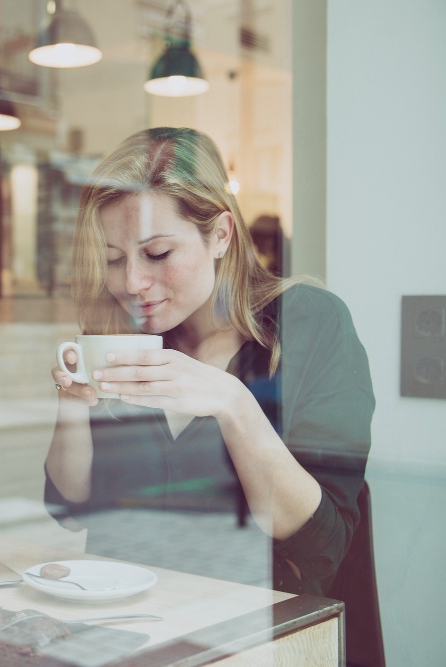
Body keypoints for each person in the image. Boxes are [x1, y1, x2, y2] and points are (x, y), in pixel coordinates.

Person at [45, 128, 376, 606]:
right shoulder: (124, 336)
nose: (133, 281)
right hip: (122, 619)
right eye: (114, 259)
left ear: (220, 235)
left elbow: (318, 542)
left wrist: (233, 403)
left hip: (250, 626)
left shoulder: (308, 323)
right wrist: (72, 404)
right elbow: (70, 505)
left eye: (158, 254)